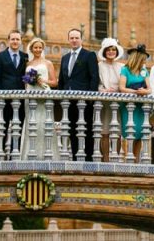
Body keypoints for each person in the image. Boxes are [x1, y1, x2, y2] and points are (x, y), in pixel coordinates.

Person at [57, 28, 100, 160]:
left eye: (77, 38)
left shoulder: (89, 55)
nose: (74, 40)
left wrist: (91, 98)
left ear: (81, 39)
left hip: (84, 101)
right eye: (72, 38)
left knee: (86, 129)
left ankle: (88, 159)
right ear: (68, 40)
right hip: (68, 101)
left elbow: (94, 77)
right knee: (71, 130)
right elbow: (62, 79)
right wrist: (61, 96)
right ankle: (75, 157)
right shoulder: (65, 58)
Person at [20, 37, 58, 160]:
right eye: (35, 47)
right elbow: (25, 81)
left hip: (44, 94)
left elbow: (54, 82)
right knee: (31, 122)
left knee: (44, 123)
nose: (38, 49)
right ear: (31, 49)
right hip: (30, 94)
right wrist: (29, 81)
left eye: (40, 47)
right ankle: (30, 153)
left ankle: (46, 153)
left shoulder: (48, 63)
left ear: (43, 49)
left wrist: (43, 80)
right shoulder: (28, 64)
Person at [0, 30, 27, 153]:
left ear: (21, 41)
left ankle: (15, 155)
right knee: (2, 128)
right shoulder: (0, 56)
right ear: (8, 40)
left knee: (18, 128)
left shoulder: (25, 56)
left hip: (21, 99)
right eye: (13, 39)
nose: (15, 41)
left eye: (17, 39)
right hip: (3, 99)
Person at [118, 44, 151, 160]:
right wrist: (135, 91)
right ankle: (128, 159)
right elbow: (122, 88)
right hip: (128, 106)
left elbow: (150, 89)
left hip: (140, 107)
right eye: (143, 58)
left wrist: (144, 91)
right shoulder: (125, 70)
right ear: (137, 58)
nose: (144, 60)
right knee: (129, 132)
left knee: (140, 133)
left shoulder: (144, 71)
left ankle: (136, 160)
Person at [96, 37, 125, 160]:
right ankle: (106, 159)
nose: (111, 52)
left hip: (118, 102)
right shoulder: (99, 65)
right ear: (104, 52)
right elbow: (96, 82)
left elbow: (125, 82)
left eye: (113, 50)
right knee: (105, 131)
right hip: (104, 101)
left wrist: (119, 89)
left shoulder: (122, 67)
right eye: (108, 50)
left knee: (117, 132)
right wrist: (103, 90)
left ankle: (116, 157)